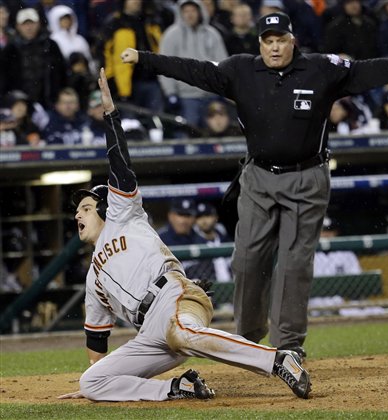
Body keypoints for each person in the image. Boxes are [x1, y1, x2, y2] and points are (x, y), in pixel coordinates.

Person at [120, 11, 388, 360]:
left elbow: (369, 71)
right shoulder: (240, 69)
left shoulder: (322, 69)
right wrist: (145, 59)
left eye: (281, 40)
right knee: (246, 260)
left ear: (293, 41)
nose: (275, 47)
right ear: (260, 43)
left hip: (308, 178)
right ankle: (246, 336)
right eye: (268, 41)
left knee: (294, 263)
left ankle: (288, 345)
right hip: (259, 177)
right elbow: (194, 70)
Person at [57, 67, 311, 402]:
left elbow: (120, 163)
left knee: (182, 332)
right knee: (91, 383)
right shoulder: (94, 278)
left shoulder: (122, 214)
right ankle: (179, 387)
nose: (78, 213)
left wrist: (110, 115)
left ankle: (279, 360)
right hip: (150, 335)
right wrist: (99, 381)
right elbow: (96, 338)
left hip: (171, 297)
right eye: (77, 210)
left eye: (86, 207)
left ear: (105, 208)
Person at [158, 0, 228, 128]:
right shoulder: (171, 35)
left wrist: (222, 88)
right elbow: (164, 67)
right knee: (187, 138)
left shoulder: (212, 34)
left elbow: (223, 63)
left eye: (193, 11)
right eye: (186, 11)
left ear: (200, 11)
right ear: (180, 13)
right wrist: (170, 93)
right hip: (185, 97)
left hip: (211, 94)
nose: (190, 14)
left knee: (214, 139)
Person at [188, 201, 232, 282]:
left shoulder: (225, 239)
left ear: (216, 217)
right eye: (199, 217)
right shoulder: (191, 241)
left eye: (207, 215)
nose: (204, 220)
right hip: (209, 288)